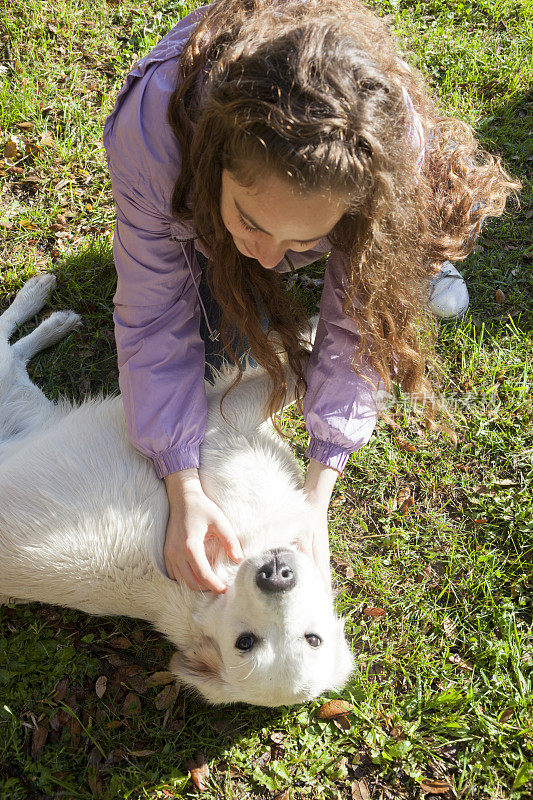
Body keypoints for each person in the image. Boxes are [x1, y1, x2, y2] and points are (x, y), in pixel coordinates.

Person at [103, 0, 516, 594]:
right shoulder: (154, 143)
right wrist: (182, 483)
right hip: (186, 182)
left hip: (378, 194)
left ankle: (410, 251)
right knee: (224, 361)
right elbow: (151, 315)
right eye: (251, 220)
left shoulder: (391, 147)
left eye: (303, 237)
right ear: (215, 163)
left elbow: (358, 322)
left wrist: (315, 496)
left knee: (402, 253)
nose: (269, 259)